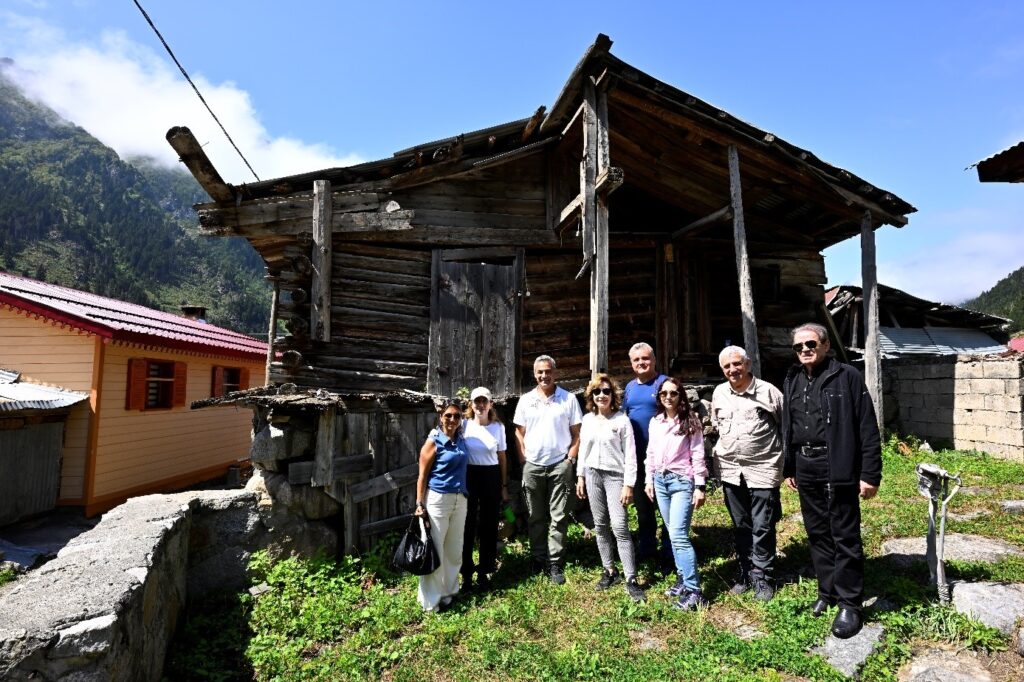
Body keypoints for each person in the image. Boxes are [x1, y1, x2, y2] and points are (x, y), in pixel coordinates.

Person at [783, 323, 881, 639]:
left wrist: (869, 474)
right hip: (805, 465)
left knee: (844, 535)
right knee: (818, 533)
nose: (804, 350)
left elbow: (867, 428)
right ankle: (828, 592)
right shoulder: (793, 379)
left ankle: (851, 603)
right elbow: (789, 427)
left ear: (825, 345)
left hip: (837, 464)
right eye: (798, 347)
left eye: (810, 344)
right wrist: (790, 467)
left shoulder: (847, 377)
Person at [712, 345, 784, 602]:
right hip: (731, 470)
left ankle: (763, 576)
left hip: (763, 468)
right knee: (741, 524)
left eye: (737, 364)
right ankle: (745, 571)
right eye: (727, 366)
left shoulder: (768, 392)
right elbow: (716, 425)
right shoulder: (719, 392)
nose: (733, 369)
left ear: (748, 364)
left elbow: (785, 427)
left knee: (762, 525)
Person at [513, 355, 583, 585]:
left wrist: (570, 461)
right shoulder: (525, 400)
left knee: (559, 516)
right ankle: (537, 558)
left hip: (559, 466)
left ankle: (555, 563)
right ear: (534, 374)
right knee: (535, 516)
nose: (544, 376)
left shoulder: (568, 399)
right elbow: (519, 433)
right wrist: (524, 460)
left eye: (548, 371)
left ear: (555, 372)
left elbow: (577, 434)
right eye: (540, 372)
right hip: (533, 466)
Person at [575, 373, 645, 602]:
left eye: (606, 391)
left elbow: (631, 456)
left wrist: (629, 485)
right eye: (597, 392)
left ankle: (631, 578)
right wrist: (580, 477)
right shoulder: (588, 420)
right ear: (591, 396)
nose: (601, 395)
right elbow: (583, 450)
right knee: (601, 525)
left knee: (620, 526)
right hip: (593, 474)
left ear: (613, 395)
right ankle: (609, 571)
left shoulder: (621, 420)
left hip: (616, 477)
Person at [644, 377, 709, 610]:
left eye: (673, 393)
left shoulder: (690, 421)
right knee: (672, 533)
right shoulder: (656, 422)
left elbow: (698, 453)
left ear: (680, 396)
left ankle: (695, 591)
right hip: (660, 482)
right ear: (659, 397)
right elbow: (650, 453)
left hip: (682, 481)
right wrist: (648, 480)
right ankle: (683, 580)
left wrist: (700, 486)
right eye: (664, 394)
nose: (668, 397)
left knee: (680, 536)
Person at [414, 400, 469, 612]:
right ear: (440, 417)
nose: (452, 419)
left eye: (456, 415)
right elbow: (422, 476)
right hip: (437, 500)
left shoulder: (461, 438)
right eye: (448, 415)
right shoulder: (433, 441)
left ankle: (448, 593)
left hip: (460, 499)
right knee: (434, 551)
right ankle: (429, 602)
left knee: (454, 551)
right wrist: (420, 503)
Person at [622, 342, 670, 564]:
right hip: (637, 457)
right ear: (632, 364)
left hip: (662, 460)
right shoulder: (630, 388)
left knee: (665, 507)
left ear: (654, 360)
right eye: (637, 360)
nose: (641, 363)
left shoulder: (664, 384)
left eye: (645, 358)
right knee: (643, 507)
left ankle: (670, 551)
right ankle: (648, 548)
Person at [460, 386, 508, 592]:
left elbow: (502, 457)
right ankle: (466, 573)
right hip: (469, 475)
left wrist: (504, 485)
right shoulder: (463, 425)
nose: (480, 405)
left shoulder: (498, 428)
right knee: (467, 524)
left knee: (489, 525)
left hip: (491, 476)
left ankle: (484, 572)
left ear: (490, 404)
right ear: (471, 404)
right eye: (476, 401)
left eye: (484, 401)